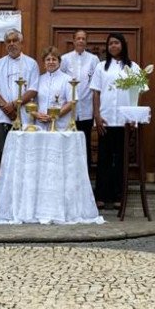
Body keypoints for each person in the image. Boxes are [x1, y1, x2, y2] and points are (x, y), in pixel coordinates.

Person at [90, 32, 140, 209]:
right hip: (105, 119)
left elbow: (135, 93)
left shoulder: (133, 67)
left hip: (124, 121)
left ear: (123, 45)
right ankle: (101, 196)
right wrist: (96, 114)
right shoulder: (101, 67)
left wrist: (134, 116)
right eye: (110, 43)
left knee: (120, 160)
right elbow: (96, 92)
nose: (113, 46)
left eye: (116, 43)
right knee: (103, 159)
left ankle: (119, 196)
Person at [0, 29, 39, 154]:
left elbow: (33, 90)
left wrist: (14, 105)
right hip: (4, 116)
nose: (11, 43)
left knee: (25, 152)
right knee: (5, 152)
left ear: (21, 43)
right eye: (8, 41)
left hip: (25, 117)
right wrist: (7, 108)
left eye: (15, 40)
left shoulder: (31, 64)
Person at [59, 29, 99, 164]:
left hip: (87, 108)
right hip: (68, 110)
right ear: (74, 40)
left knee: (84, 142)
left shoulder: (94, 59)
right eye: (78, 38)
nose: (81, 41)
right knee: (68, 142)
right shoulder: (65, 59)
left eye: (83, 39)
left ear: (86, 41)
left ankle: (85, 175)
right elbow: (61, 80)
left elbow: (96, 83)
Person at [33, 47, 74, 131]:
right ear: (44, 63)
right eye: (48, 59)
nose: (51, 62)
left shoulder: (67, 79)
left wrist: (54, 116)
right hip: (41, 125)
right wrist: (36, 114)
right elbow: (33, 102)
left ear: (59, 62)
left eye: (54, 59)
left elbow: (71, 103)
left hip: (60, 125)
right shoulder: (39, 80)